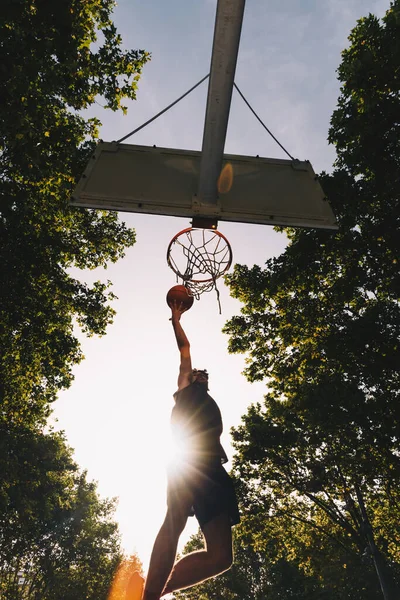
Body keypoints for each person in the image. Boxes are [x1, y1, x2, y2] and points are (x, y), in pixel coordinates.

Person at [127, 301, 240, 600]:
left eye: (204, 374)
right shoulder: (185, 391)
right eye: (196, 373)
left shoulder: (206, 400)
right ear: (186, 380)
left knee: (222, 558)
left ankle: (151, 589)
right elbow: (185, 349)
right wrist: (176, 321)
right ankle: (149, 595)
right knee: (174, 521)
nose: (201, 374)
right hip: (186, 462)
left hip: (213, 470)